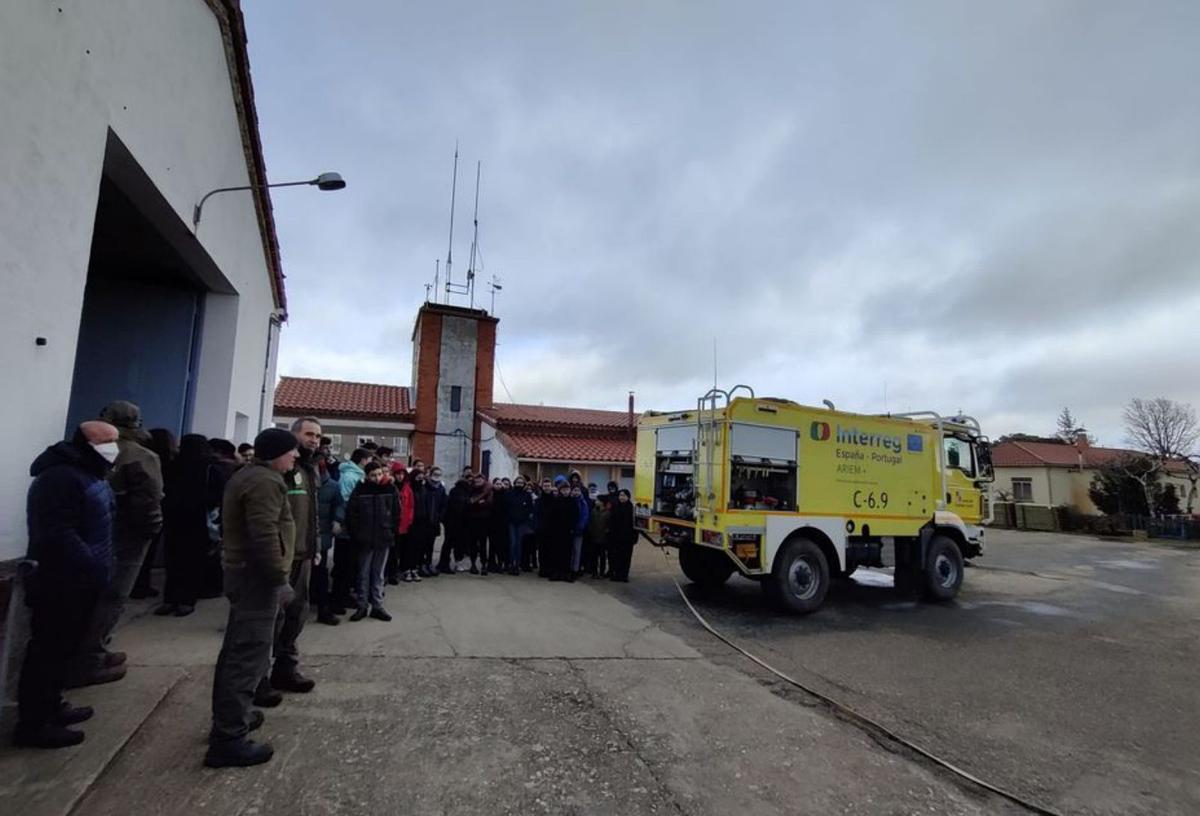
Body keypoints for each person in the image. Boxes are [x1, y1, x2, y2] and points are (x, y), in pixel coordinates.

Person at [15, 421, 119, 749]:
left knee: (65, 648)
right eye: (108, 441)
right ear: (87, 443)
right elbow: (59, 533)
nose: (114, 446)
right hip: (61, 579)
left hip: (84, 578)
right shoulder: (60, 478)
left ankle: (53, 705)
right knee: (48, 649)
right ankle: (34, 723)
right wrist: (89, 563)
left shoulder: (90, 473)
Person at [205, 428, 299, 768]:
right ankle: (229, 739)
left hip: (244, 575)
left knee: (235, 652)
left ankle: (233, 717)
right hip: (257, 580)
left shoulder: (248, 475)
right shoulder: (265, 482)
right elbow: (264, 534)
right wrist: (279, 581)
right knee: (246, 657)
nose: (295, 457)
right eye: (291, 452)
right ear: (277, 454)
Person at [67, 401, 164, 688]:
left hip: (90, 533)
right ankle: (89, 658)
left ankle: (88, 652)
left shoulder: (83, 452)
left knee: (89, 595)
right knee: (113, 595)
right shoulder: (139, 455)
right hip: (128, 535)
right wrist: (151, 530)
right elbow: (150, 499)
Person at [259, 417, 322, 703]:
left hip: (304, 554)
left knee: (296, 615)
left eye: (318, 436)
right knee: (271, 618)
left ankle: (285, 669)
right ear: (294, 435)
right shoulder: (280, 468)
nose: (314, 440)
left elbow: (311, 513)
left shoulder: (310, 469)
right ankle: (258, 678)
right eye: (309, 434)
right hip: (282, 557)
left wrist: (315, 544)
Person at [157, 435, 221, 617]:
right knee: (193, 562)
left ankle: (171, 599)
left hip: (175, 519)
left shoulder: (173, 466)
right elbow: (218, 494)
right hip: (198, 521)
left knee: (174, 561)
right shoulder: (210, 467)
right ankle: (186, 600)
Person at [346, 462, 399, 622]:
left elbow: (396, 514)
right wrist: (357, 534)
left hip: (383, 537)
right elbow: (352, 514)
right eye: (373, 475)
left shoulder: (390, 489)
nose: (376, 478)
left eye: (379, 474)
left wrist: (391, 531)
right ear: (366, 476)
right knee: (363, 573)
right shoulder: (360, 490)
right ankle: (362, 605)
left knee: (379, 574)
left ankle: (377, 605)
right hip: (365, 539)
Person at [131, 428, 178, 599]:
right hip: (157, 508)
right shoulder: (169, 463)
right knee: (147, 550)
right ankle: (141, 584)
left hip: (135, 509)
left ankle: (136, 584)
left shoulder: (140, 458)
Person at [331, 448, 371, 610]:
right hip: (347, 528)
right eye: (369, 460)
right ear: (362, 460)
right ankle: (338, 599)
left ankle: (344, 595)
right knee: (343, 565)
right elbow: (345, 503)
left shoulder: (358, 475)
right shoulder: (350, 477)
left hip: (353, 528)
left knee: (350, 565)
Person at [313, 451, 342, 625]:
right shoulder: (297, 482)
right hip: (300, 536)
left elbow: (339, 504)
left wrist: (337, 519)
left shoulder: (332, 485)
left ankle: (323, 610)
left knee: (321, 574)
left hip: (321, 536)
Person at [410, 467, 445, 579]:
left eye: (439, 474)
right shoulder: (424, 487)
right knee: (421, 546)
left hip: (434, 521)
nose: (436, 477)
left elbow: (444, 504)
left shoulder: (441, 488)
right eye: (434, 474)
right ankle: (420, 565)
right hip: (423, 522)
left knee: (430, 545)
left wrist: (439, 516)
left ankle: (428, 564)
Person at [437, 470, 472, 574]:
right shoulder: (462, 492)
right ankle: (448, 564)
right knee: (453, 543)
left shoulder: (455, 490)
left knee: (449, 543)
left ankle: (445, 563)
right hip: (456, 522)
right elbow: (459, 508)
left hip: (452, 521)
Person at [545, 476, 578, 581]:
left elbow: (575, 516)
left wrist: (573, 528)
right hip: (557, 531)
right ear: (560, 490)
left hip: (569, 531)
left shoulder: (573, 502)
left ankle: (566, 572)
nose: (565, 491)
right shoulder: (556, 501)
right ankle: (556, 572)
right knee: (556, 552)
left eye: (567, 489)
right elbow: (551, 516)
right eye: (563, 489)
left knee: (567, 552)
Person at [465, 474, 493, 575]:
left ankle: (484, 565)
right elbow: (469, 503)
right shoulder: (471, 490)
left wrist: (479, 502)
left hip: (484, 521)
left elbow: (489, 503)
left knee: (483, 544)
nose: (478, 483)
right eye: (476, 481)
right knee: (473, 544)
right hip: (472, 521)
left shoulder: (488, 491)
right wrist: (479, 502)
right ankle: (473, 564)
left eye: (480, 481)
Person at [506, 476, 534, 576]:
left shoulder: (527, 495)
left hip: (522, 523)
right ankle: (511, 564)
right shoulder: (509, 494)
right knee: (512, 544)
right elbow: (506, 508)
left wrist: (524, 518)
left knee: (519, 544)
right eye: (518, 482)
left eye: (521, 483)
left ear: (524, 484)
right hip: (511, 523)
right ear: (515, 483)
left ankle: (517, 565)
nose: (519, 484)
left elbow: (530, 509)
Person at [608, 489, 638, 581]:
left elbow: (635, 524)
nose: (622, 497)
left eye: (624, 495)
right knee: (616, 556)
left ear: (628, 497)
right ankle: (615, 574)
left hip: (627, 538)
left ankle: (624, 575)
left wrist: (635, 537)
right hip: (616, 537)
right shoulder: (615, 507)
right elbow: (611, 522)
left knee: (626, 557)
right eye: (620, 495)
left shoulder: (632, 509)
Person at [569, 484, 591, 580]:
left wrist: (580, 527)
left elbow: (585, 517)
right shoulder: (569, 500)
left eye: (578, 490)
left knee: (577, 551)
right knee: (569, 551)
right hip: (568, 530)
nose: (576, 492)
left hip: (578, 531)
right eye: (574, 490)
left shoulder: (583, 503)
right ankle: (568, 568)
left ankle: (575, 570)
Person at [488, 477, 509, 573]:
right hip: (492, 523)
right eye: (497, 484)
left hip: (503, 524)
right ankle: (491, 564)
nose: (499, 485)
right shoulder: (490, 494)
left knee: (502, 545)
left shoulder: (505, 495)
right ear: (493, 484)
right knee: (492, 545)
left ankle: (500, 563)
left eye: (500, 484)